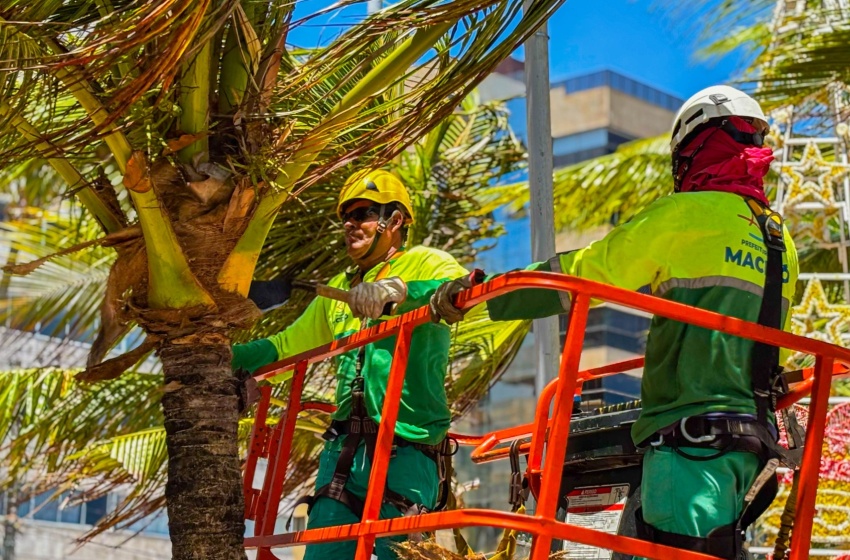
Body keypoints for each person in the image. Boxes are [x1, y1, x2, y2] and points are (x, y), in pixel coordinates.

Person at [430, 85, 800, 559]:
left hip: (690, 443)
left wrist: (485, 296)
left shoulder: (686, 214)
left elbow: (586, 272)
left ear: (692, 148)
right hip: (752, 445)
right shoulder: (778, 238)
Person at [233, 169, 468, 560]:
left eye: (362, 213)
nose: (349, 223)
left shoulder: (428, 263)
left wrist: (402, 291)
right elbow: (285, 346)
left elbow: (462, 293)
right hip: (345, 452)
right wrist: (218, 356)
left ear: (395, 221)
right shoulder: (338, 290)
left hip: (406, 451)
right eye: (346, 216)